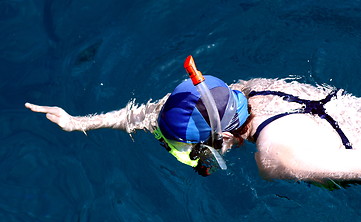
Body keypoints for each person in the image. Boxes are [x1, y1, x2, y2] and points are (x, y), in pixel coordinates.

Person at [25, 56, 361, 187]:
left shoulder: (275, 158)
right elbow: (155, 113)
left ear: (224, 135)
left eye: (193, 146)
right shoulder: (242, 91)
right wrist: (78, 122)